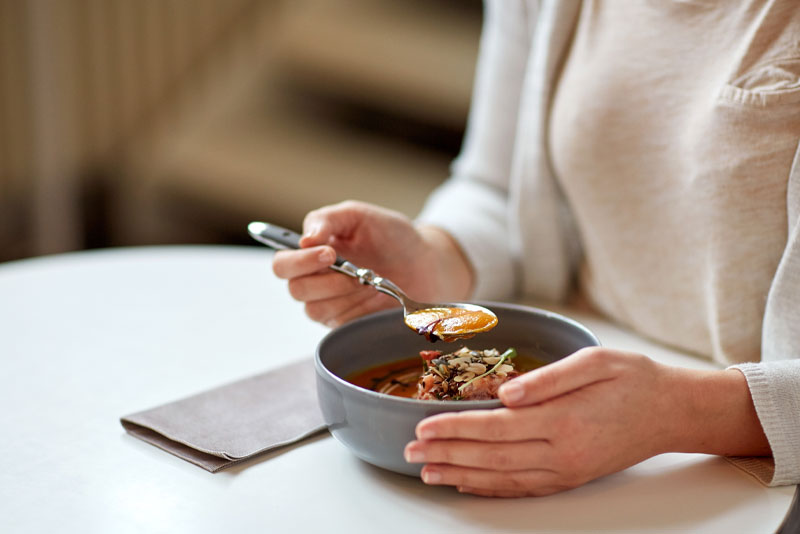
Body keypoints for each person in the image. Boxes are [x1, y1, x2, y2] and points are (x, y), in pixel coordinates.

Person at [272, 0, 800, 497]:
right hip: (581, 416)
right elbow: (499, 187)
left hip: (746, 472)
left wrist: (684, 412)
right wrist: (438, 256)